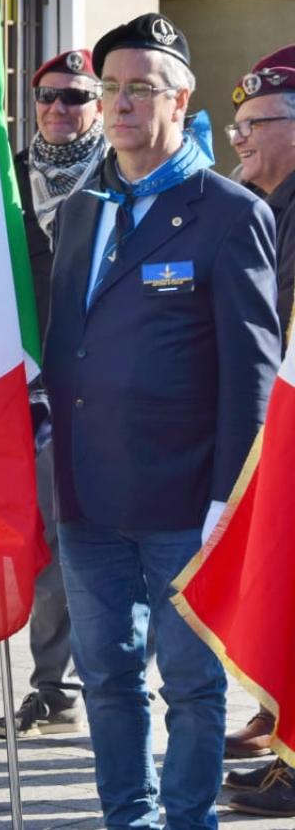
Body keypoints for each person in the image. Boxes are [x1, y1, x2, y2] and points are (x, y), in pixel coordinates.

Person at [43, 13, 280, 830]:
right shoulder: (81, 210)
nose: (121, 103)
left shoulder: (226, 212)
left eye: (141, 88)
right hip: (89, 498)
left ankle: (187, 821)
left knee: (191, 683)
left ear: (180, 100)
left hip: (188, 501)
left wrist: (230, 499)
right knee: (105, 677)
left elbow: (250, 370)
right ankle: (127, 819)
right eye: (111, 88)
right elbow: (61, 347)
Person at [0, 48, 105, 740]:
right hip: (34, 396)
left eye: (75, 97)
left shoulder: (121, 178)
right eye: (48, 97)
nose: (59, 110)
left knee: (124, 541)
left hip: (113, 393)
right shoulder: (8, 185)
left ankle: (119, 677)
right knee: (50, 543)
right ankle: (50, 686)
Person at [219, 43, 295, 818]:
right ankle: (282, 742)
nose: (237, 138)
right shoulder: (267, 208)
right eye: (235, 125)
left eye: (254, 124)